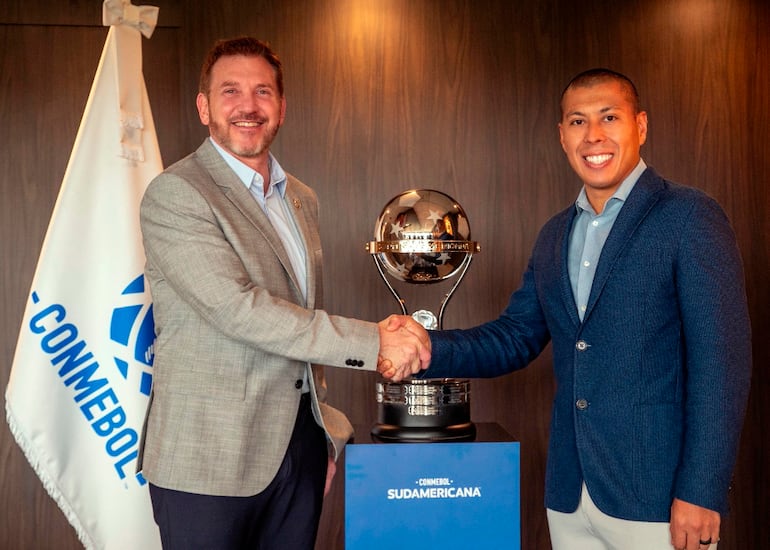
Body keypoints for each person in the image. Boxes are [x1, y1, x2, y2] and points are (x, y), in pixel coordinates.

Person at [397, 68, 751, 550]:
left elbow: (722, 366)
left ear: (640, 126)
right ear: (562, 137)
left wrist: (702, 489)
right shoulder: (553, 235)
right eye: (578, 122)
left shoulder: (690, 216)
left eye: (610, 117)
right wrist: (423, 348)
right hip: (570, 495)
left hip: (660, 499)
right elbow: (515, 338)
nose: (594, 136)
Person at [137, 36, 429, 549]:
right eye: (230, 92)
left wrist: (324, 436)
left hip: (297, 455)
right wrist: (373, 342)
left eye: (263, 92)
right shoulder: (177, 193)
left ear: (282, 107)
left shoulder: (301, 198)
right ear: (204, 107)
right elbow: (239, 310)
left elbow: (300, 320)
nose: (248, 106)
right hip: (208, 462)